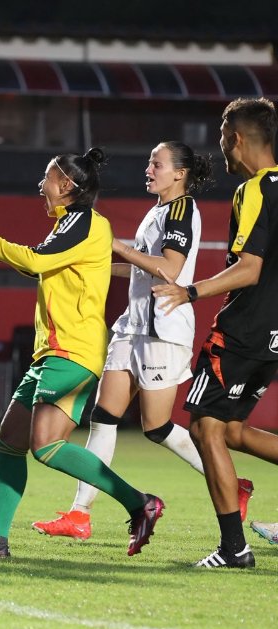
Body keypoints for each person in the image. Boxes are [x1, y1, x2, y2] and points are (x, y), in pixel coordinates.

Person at [32, 141, 256, 539]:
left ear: (179, 173)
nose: (148, 169)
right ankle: (79, 515)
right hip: (131, 327)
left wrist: (113, 245)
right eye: (149, 161)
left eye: (157, 163)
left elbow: (169, 269)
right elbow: (139, 270)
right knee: (103, 417)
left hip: (163, 329)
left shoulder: (183, 209)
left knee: (155, 426)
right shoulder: (157, 211)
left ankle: (233, 484)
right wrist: (95, 263)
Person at [0, 148, 164, 559]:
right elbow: (41, 264)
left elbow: (34, 263)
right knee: (10, 441)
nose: (40, 185)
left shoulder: (86, 223)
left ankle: (140, 502)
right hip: (51, 353)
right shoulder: (69, 223)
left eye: (46, 178)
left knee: (44, 445)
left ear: (66, 185)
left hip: (73, 352)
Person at [154, 97, 278, 569]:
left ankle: (233, 549)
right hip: (274, 336)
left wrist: (192, 291)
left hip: (244, 331)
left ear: (238, 139)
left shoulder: (254, 191)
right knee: (231, 431)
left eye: (224, 138)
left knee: (205, 427)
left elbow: (248, 269)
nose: (220, 148)